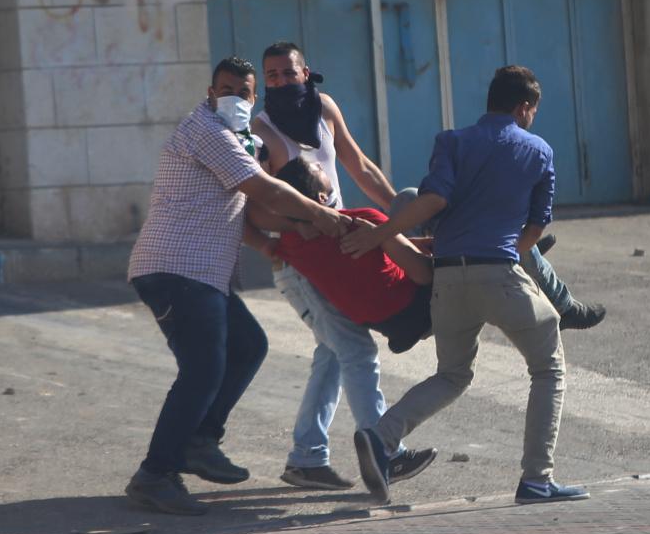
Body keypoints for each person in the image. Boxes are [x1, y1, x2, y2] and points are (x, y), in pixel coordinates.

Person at [342, 65, 590, 505]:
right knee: (548, 367)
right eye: (532, 112)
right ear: (524, 107)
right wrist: (505, 252)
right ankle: (537, 479)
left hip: (448, 279)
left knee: (452, 374)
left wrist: (380, 235)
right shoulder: (539, 150)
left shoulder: (452, 141)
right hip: (500, 274)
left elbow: (432, 200)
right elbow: (535, 229)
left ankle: (382, 436)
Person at [124, 57, 350, 515]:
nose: (234, 98)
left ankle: (199, 440)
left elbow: (247, 205)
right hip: (176, 267)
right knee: (203, 369)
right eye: (225, 89)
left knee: (247, 346)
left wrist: (275, 240)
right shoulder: (208, 132)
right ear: (211, 93)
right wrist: (320, 213)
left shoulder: (240, 138)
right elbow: (264, 190)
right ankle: (155, 473)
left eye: (243, 92)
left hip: (203, 272)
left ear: (253, 97)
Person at [250, 41, 437, 490]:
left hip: (341, 251)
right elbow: (256, 209)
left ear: (305, 72)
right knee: (354, 351)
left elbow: (361, 167)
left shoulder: (325, 108)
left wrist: (401, 216)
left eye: (288, 73)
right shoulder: (260, 131)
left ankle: (307, 457)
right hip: (304, 264)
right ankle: (385, 452)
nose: (281, 81)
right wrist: (309, 221)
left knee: (333, 355)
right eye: (271, 76)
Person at [248, 157, 434, 355]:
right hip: (417, 306)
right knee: (410, 197)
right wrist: (386, 234)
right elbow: (424, 274)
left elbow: (252, 215)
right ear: (321, 198)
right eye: (317, 168)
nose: (320, 165)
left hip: (382, 323)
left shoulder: (292, 243)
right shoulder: (363, 220)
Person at [390, 187, 605, 330]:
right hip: (429, 291)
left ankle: (519, 254)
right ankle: (561, 303)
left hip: (433, 260)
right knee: (503, 229)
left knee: (409, 197)